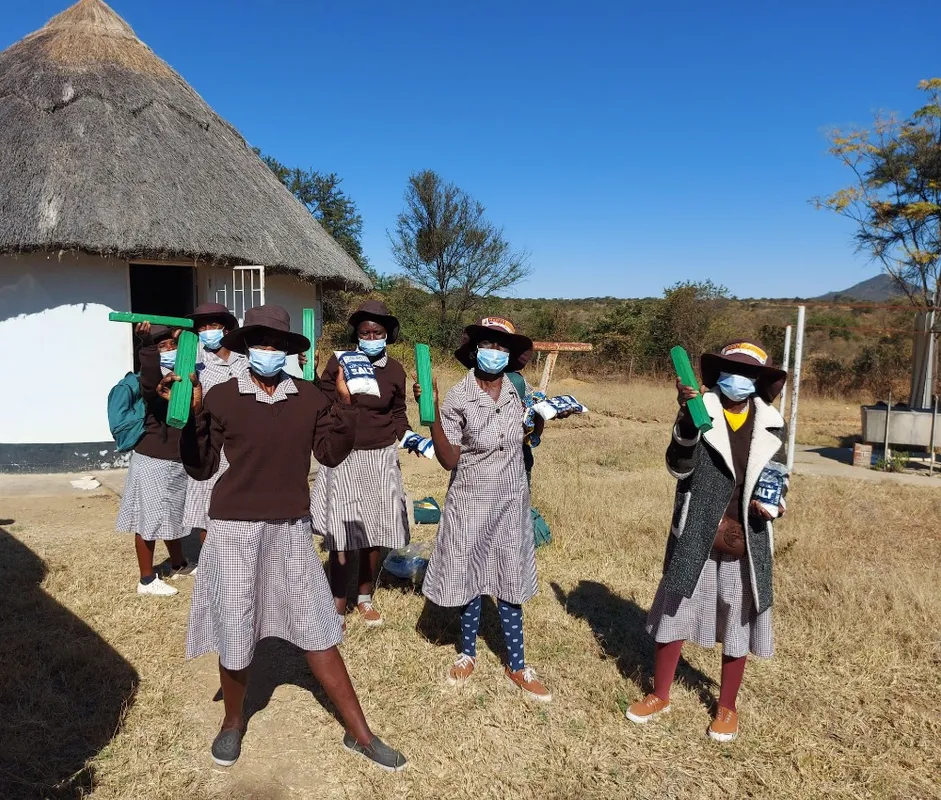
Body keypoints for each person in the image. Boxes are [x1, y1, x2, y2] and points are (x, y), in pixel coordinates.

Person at [174, 305, 406, 771]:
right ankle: (233, 721)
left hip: (291, 528)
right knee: (237, 625)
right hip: (234, 529)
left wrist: (344, 405)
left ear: (287, 352)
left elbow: (332, 454)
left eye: (277, 345)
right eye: (259, 343)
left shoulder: (307, 398)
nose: (268, 351)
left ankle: (360, 733)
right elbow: (199, 467)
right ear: (245, 347)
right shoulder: (221, 396)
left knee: (318, 628)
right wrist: (192, 415)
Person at [625, 340, 788, 743]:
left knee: (739, 618)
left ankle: (727, 707)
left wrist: (775, 502)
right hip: (697, 529)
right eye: (732, 371)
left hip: (744, 537)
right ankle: (660, 693)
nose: (740, 380)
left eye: (749, 374)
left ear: (760, 382)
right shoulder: (701, 412)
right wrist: (685, 420)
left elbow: (778, 474)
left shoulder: (771, 422)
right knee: (675, 610)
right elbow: (678, 467)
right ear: (717, 376)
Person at [414, 317, 551, 701]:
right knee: (471, 578)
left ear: (510, 356)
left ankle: (518, 664)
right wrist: (434, 412)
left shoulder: (516, 391)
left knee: (509, 580)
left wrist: (541, 422)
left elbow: (526, 438)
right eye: (488, 345)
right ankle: (468, 652)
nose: (495, 353)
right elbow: (448, 459)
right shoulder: (459, 397)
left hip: (510, 499)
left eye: (502, 347)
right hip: (470, 500)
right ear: (474, 350)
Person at [310, 300, 410, 628]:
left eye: (377, 332)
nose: (370, 336)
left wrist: (411, 438)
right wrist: (340, 397)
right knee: (341, 530)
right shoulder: (339, 362)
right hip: (344, 454)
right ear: (357, 334)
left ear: (387, 335)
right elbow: (322, 405)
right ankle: (337, 603)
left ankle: (364, 597)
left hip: (381, 456)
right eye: (365, 332)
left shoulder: (395, 370)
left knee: (374, 530)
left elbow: (397, 414)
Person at [115, 323, 190, 597]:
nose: (168, 350)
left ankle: (179, 563)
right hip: (153, 458)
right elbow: (149, 381)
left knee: (174, 514)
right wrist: (146, 345)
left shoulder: (185, 376)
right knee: (148, 518)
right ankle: (146, 579)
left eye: (172, 346)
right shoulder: (154, 379)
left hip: (177, 459)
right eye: (162, 347)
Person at [181, 303, 245, 555]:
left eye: (213, 326)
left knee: (240, 507)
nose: (208, 331)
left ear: (227, 329)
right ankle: (212, 564)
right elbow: (165, 379)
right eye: (202, 327)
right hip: (211, 444)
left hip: (243, 444)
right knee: (210, 510)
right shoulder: (192, 361)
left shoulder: (245, 360)